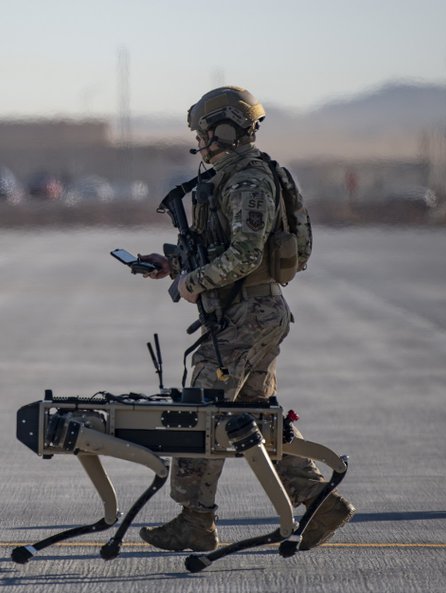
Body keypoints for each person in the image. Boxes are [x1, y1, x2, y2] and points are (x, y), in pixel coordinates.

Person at [137, 86, 355, 552]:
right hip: (249, 312)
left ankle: (195, 520)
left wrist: (191, 283)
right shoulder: (233, 177)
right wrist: (173, 266)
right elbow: (228, 252)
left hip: (248, 315)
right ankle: (320, 502)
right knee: (252, 418)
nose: (200, 142)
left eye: (204, 133)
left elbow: (245, 254)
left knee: (200, 412)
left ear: (227, 130)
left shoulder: (247, 180)